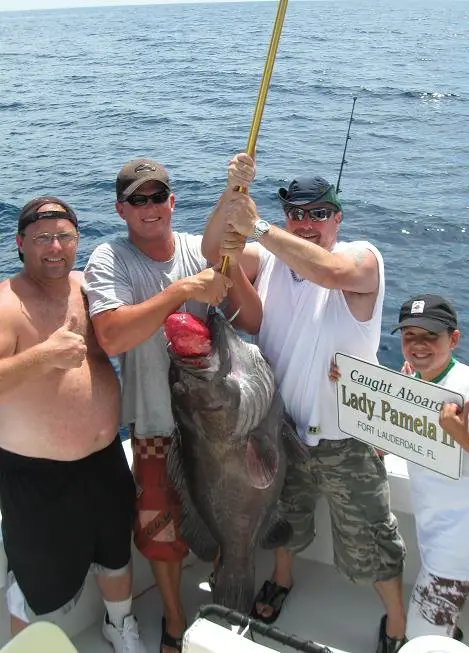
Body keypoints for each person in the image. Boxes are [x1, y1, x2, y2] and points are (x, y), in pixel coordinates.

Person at [202, 154, 407, 653]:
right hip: (281, 430)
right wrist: (231, 195)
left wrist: (264, 228)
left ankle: (398, 625)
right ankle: (283, 581)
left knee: (371, 539)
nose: (307, 222)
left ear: (338, 218)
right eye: (297, 212)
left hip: (347, 440)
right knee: (284, 523)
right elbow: (214, 253)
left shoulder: (362, 258)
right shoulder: (270, 261)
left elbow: (332, 273)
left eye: (319, 213)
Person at [83, 158, 258, 653]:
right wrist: (182, 291)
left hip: (218, 424)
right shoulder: (110, 260)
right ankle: (176, 622)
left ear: (173, 202)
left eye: (158, 196)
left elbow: (245, 316)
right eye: (138, 200)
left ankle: (229, 600)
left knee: (228, 513)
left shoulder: (198, 250)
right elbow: (113, 335)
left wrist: (232, 190)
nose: (150, 207)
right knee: (159, 528)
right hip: (157, 425)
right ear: (120, 210)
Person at [0, 197, 146, 653]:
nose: (55, 247)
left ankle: (120, 626)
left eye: (65, 236)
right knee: (34, 578)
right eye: (42, 238)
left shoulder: (89, 289)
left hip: (104, 460)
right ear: (20, 243)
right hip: (36, 476)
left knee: (115, 552)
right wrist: (42, 357)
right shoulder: (6, 305)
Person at [390, 294, 469, 641]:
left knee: (422, 637)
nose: (418, 346)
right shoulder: (413, 380)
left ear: (454, 339)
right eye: (409, 336)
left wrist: (462, 435)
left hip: (459, 542)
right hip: (432, 528)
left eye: (430, 336)